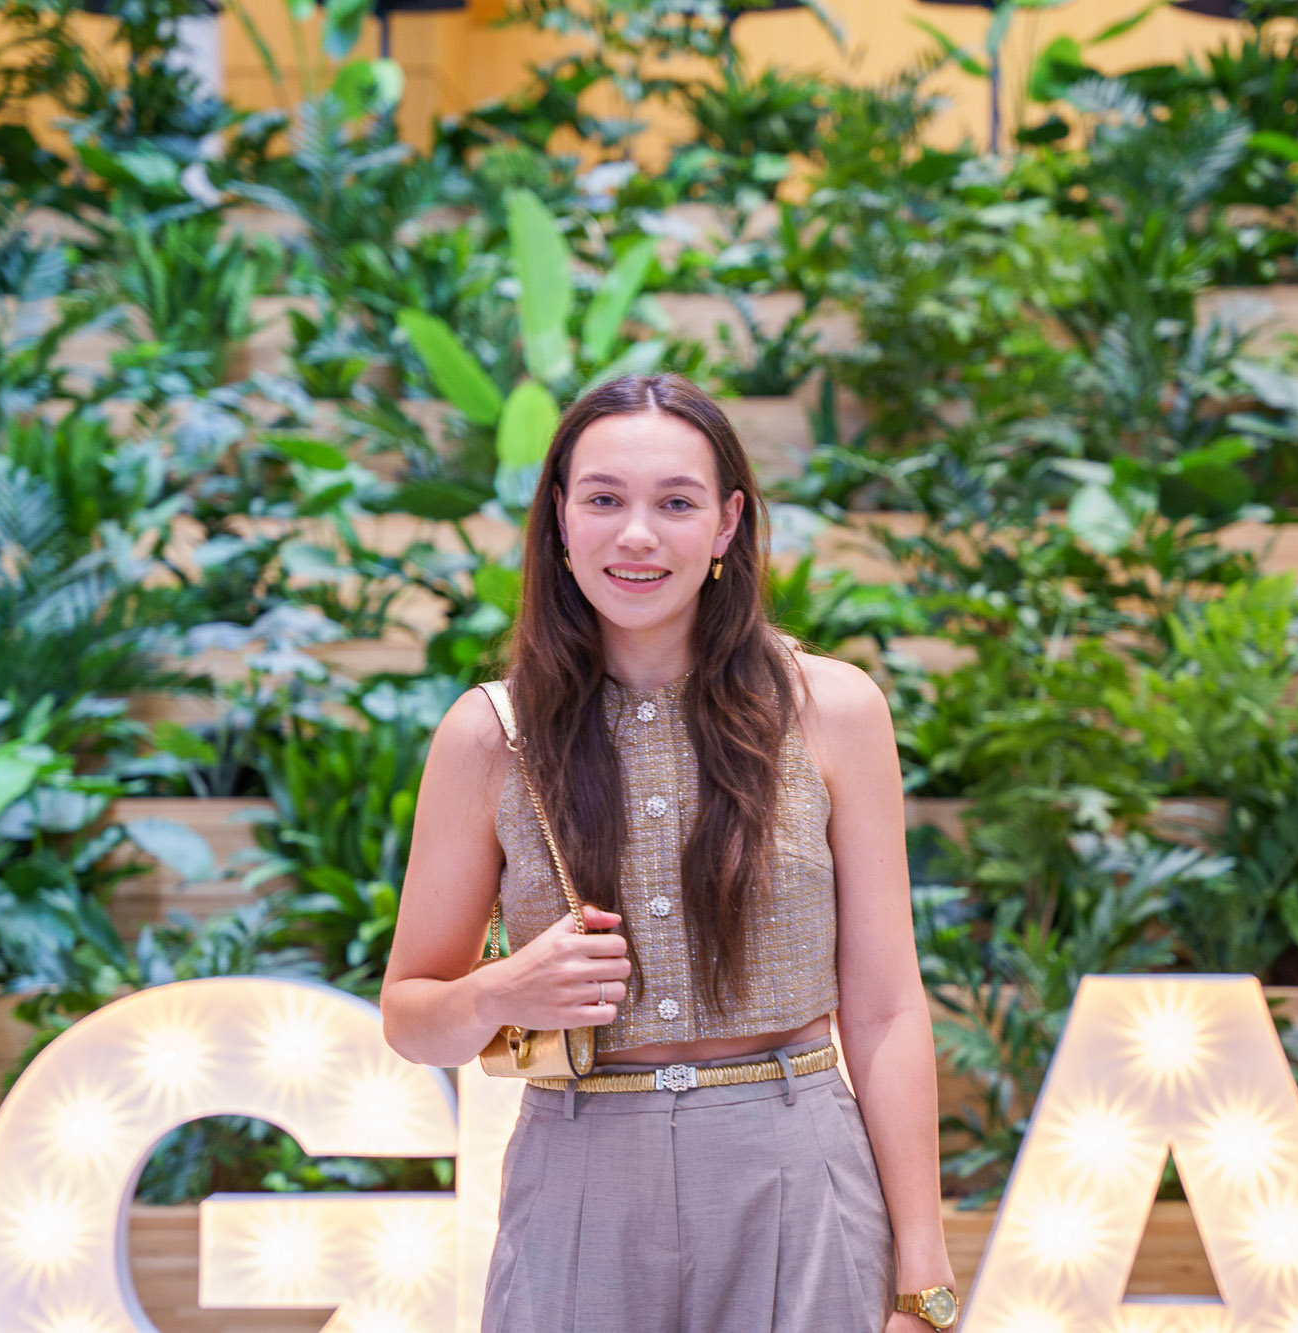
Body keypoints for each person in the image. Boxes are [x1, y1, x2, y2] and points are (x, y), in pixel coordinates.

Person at [379, 374, 959, 1332]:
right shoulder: (490, 735)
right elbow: (412, 1016)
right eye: (603, 499)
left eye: (676, 503)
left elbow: (890, 1008)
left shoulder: (834, 711)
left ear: (728, 524)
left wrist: (924, 1283)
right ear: (559, 518)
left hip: (796, 1167)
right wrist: (504, 991)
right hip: (577, 1178)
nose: (636, 534)